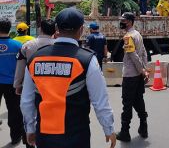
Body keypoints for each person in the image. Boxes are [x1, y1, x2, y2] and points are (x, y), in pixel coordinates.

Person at [20, 8, 116, 148]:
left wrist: (30, 128)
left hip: (45, 136)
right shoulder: (87, 59)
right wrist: (108, 129)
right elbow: (100, 100)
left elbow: (26, 101)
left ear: (57, 29)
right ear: (81, 29)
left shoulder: (35, 59)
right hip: (76, 135)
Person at [116, 12, 149, 142]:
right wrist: (144, 69)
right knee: (139, 100)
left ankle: (125, 132)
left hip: (130, 75)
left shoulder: (128, 36)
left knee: (127, 104)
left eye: (123, 20)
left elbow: (133, 56)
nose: (121, 22)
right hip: (138, 75)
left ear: (129, 21)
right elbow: (144, 53)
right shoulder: (138, 34)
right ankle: (144, 127)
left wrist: (142, 70)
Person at [0, 18, 28, 146]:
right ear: (10, 29)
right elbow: (23, 66)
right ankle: (16, 136)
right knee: (14, 111)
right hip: (12, 83)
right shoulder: (17, 45)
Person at [14, 19, 56, 95]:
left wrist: (18, 84)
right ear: (55, 30)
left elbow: (20, 66)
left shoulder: (27, 45)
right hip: (54, 86)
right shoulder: (59, 45)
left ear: (40, 29)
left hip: (31, 84)